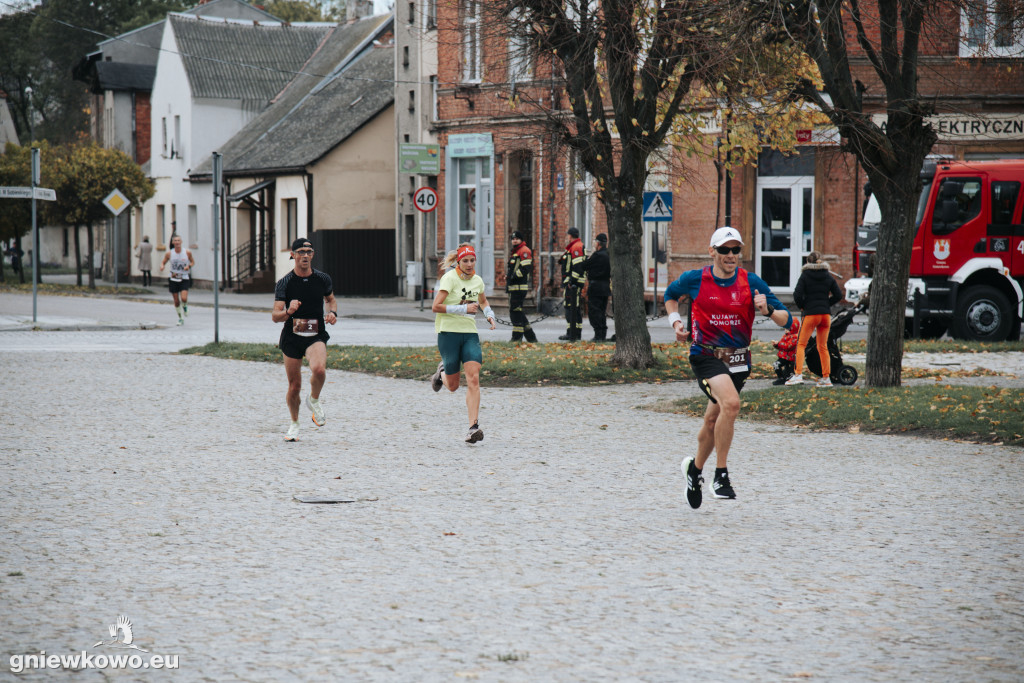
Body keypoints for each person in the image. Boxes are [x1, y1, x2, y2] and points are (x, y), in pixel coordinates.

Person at [663, 226, 792, 509]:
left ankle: (694, 471)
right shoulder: (695, 279)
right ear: (712, 252)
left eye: (736, 250)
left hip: (738, 361)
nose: (731, 255)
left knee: (713, 421)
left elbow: (788, 320)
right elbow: (670, 295)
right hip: (706, 355)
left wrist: (768, 310)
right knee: (731, 405)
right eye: (724, 250)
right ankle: (720, 476)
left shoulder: (751, 281)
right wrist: (676, 322)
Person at [272, 238, 338, 442]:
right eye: (301, 251)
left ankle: (314, 400)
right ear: (293, 255)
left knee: (319, 370)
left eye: (309, 251)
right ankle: (294, 424)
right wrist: (288, 312)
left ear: (313, 255)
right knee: (294, 386)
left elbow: (331, 299)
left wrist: (333, 313)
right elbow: (275, 315)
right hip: (292, 336)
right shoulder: (284, 283)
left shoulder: (322, 278)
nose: (305, 255)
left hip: (315, 334)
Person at [429, 243, 496, 443]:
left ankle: (473, 427)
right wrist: (462, 310)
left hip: (469, 334)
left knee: (474, 379)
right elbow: (435, 307)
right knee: (452, 386)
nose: (469, 264)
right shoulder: (449, 279)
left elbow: (482, 301)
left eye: (472, 260)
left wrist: (489, 314)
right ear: (458, 262)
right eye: (465, 260)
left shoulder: (477, 281)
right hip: (448, 333)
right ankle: (441, 372)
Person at [786, 251, 844, 387]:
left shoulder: (805, 275)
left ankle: (798, 375)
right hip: (825, 315)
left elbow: (797, 294)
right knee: (823, 346)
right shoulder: (828, 276)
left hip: (810, 314)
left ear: (808, 262)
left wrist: (803, 306)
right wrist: (826, 304)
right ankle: (826, 378)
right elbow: (838, 295)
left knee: (801, 344)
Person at [506, 231, 537, 343]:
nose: (514, 240)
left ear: (521, 240)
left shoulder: (524, 251)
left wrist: (513, 277)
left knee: (515, 312)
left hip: (519, 287)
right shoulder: (515, 252)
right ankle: (531, 337)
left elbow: (525, 268)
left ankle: (517, 337)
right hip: (514, 287)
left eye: (517, 238)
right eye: (513, 238)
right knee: (517, 312)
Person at [557, 226, 586, 341]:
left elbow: (578, 266)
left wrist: (571, 281)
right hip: (572, 283)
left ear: (570, 235)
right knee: (572, 307)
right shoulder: (574, 247)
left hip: (574, 284)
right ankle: (573, 332)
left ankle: (573, 333)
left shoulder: (576, 247)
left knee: (572, 308)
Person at [158, 234, 194, 325]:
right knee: (176, 300)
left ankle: (185, 306)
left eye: (179, 241)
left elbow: (192, 262)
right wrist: (162, 266)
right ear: (173, 242)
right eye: (175, 241)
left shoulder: (187, 252)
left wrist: (188, 266)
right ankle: (180, 318)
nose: (177, 242)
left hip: (184, 277)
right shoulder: (170, 253)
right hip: (173, 278)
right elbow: (163, 262)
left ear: (181, 242)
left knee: (184, 298)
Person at [584, 232, 611, 341]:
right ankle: (602, 334)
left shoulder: (597, 255)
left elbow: (585, 265)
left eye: (595, 242)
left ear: (598, 243)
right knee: (602, 311)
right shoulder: (608, 255)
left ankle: (598, 335)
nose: (594, 244)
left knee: (594, 311)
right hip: (605, 287)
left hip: (595, 287)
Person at [772, 318, 801, 385]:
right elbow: (782, 347)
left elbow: (788, 346)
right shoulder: (785, 336)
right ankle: (781, 377)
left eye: (787, 329)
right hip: (784, 356)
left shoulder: (795, 337)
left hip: (790, 357)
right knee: (776, 364)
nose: (786, 330)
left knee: (788, 368)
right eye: (785, 328)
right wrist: (776, 345)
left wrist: (779, 343)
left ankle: (788, 378)